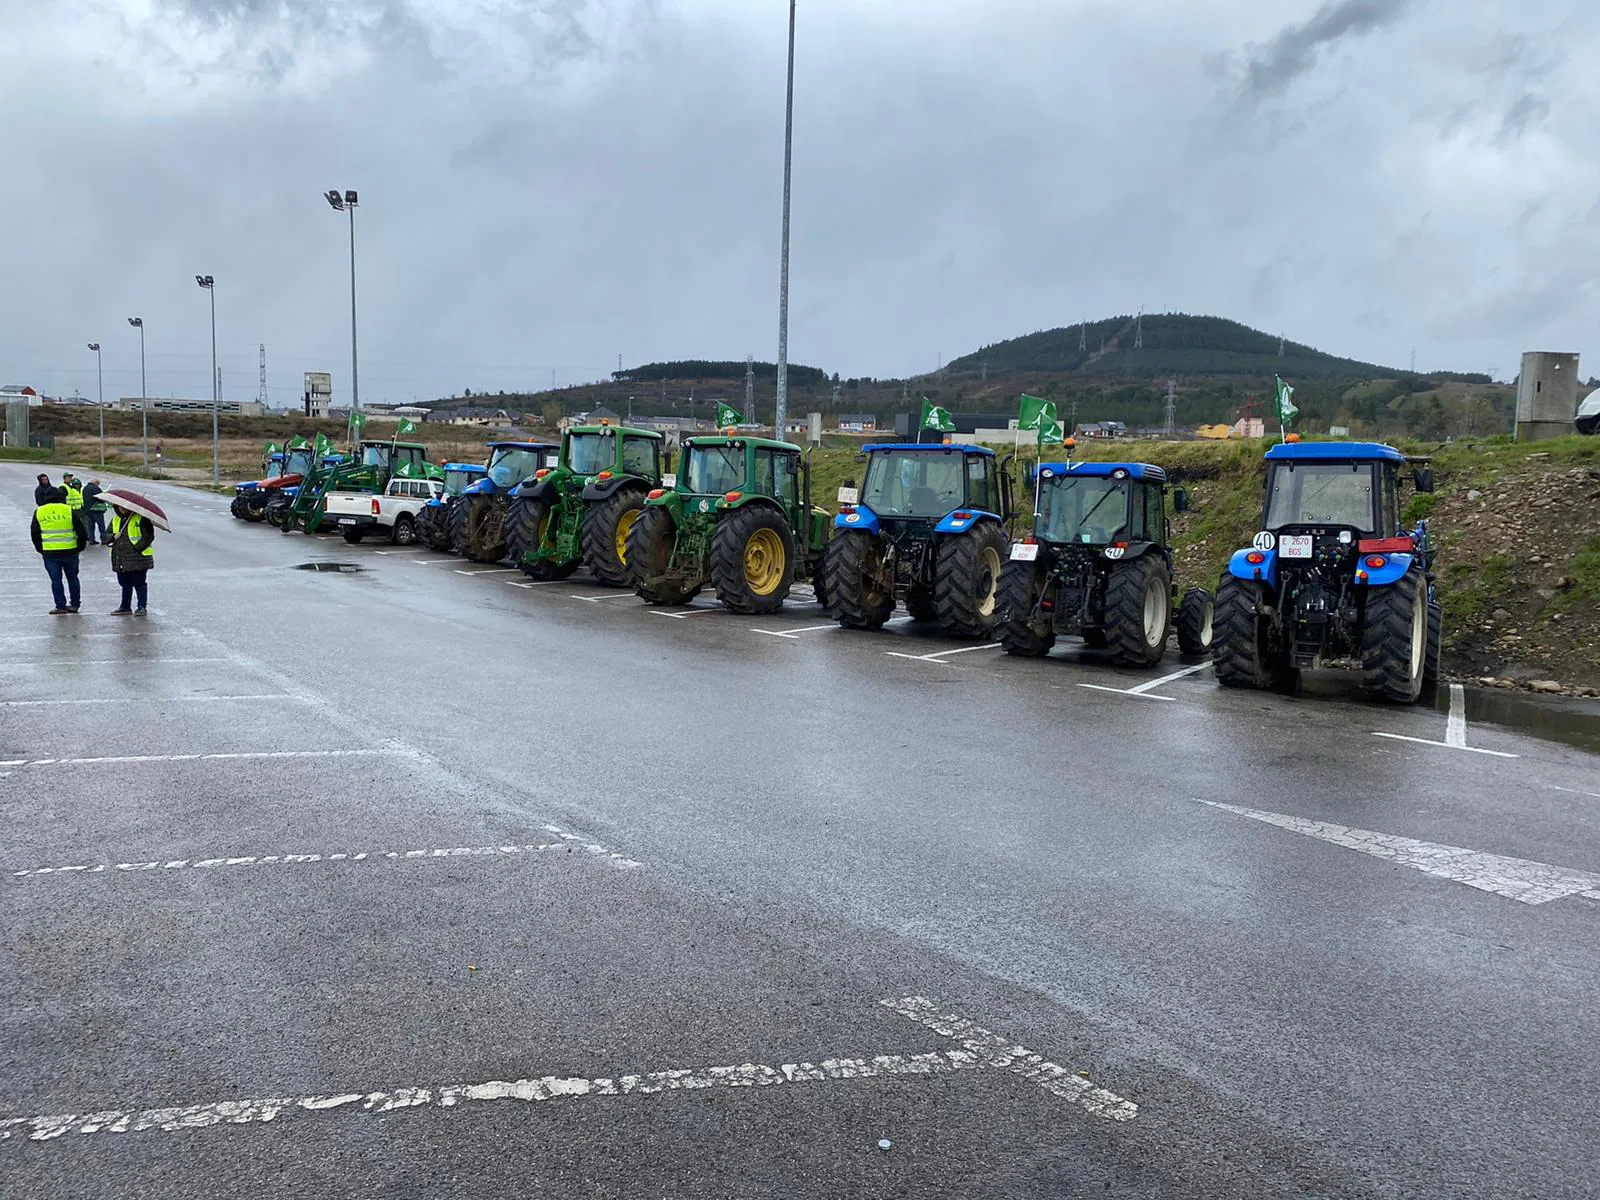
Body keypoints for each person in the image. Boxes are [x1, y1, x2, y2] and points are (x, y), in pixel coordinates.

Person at [30, 485, 89, 615]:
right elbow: (81, 530)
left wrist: (40, 548)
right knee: (73, 578)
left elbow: (34, 532)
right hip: (70, 550)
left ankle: (60, 606)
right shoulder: (68, 510)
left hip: (50, 552)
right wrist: (80, 546)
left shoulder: (40, 511)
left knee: (56, 580)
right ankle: (74, 604)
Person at [108, 503, 155, 615]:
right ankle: (125, 607)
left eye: (124, 506)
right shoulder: (115, 519)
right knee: (125, 583)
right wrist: (113, 537)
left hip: (139, 558)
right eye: (119, 506)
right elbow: (106, 536)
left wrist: (137, 549)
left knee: (139, 583)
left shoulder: (141, 519)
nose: (122, 508)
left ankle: (142, 606)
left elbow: (148, 536)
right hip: (120, 558)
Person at [82, 478, 107, 544]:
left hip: (87, 510)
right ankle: (104, 539)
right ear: (96, 483)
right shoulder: (96, 488)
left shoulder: (85, 488)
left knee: (91, 525)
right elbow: (100, 498)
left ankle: (91, 539)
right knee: (101, 525)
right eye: (98, 484)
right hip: (96, 509)